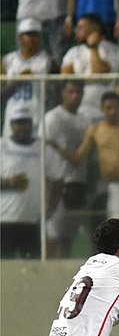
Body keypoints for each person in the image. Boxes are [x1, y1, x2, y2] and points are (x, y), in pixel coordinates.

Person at [1, 101, 66, 258]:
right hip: (4, 218)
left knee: (31, 266)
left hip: (32, 219)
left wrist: (50, 209)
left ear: (32, 124)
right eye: (18, 122)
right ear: (11, 124)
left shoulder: (43, 149)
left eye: (26, 122)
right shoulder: (2, 146)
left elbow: (58, 179)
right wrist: (9, 183)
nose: (22, 126)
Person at [71, 91, 119, 225]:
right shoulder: (95, 129)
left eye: (116, 108)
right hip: (106, 185)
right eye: (108, 108)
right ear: (101, 108)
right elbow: (78, 156)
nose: (112, 112)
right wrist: (56, 147)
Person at [42, 80, 91, 257]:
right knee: (52, 234)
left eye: (78, 92)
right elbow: (44, 152)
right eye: (70, 92)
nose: (75, 96)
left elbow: (81, 157)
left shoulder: (85, 121)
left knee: (68, 236)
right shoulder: (51, 118)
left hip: (78, 182)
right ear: (63, 92)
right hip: (57, 182)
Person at [60, 14, 119, 121]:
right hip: (79, 110)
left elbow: (97, 74)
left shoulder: (110, 49)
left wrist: (93, 47)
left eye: (81, 27)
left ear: (94, 28)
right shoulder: (73, 52)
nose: (76, 30)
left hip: (103, 110)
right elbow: (65, 77)